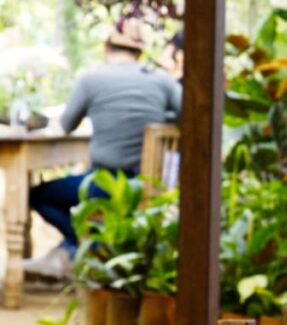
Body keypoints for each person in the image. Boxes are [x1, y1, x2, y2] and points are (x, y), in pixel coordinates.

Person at [24, 19, 182, 280]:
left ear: (106, 48)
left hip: (104, 183)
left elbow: (65, 125)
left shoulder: (92, 79)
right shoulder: (162, 81)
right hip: (150, 184)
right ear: (140, 53)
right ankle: (94, 249)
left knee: (38, 196)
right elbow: (189, 114)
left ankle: (96, 248)